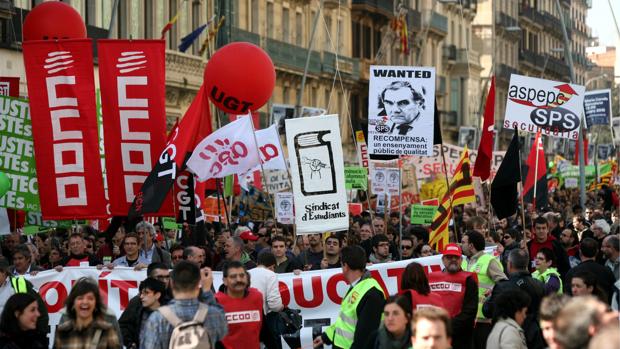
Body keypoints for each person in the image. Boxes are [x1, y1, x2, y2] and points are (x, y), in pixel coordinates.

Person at [140, 261, 227, 349]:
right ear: (198, 283)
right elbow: (223, 330)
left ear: (172, 283)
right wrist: (207, 290)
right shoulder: (213, 314)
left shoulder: (158, 318)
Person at [314, 246, 386, 349]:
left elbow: (365, 338)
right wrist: (325, 337)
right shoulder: (358, 287)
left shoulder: (371, 294)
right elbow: (345, 322)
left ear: (345, 266)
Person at [483, 249, 545, 349]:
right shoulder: (540, 285)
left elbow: (488, 311)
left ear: (510, 264)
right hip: (535, 336)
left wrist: (489, 298)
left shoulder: (502, 287)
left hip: (509, 335)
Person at [460, 230, 507, 347]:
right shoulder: (463, 262)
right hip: (467, 318)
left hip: (484, 320)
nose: (461, 245)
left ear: (471, 246)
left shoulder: (489, 261)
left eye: (463, 242)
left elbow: (504, 284)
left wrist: (492, 298)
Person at [427, 243, 478, 349]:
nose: (453, 259)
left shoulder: (469, 280)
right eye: (449, 257)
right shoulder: (431, 278)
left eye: (456, 257)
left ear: (461, 260)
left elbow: (470, 312)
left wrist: (446, 326)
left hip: (461, 339)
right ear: (443, 260)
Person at [54, 278, 121, 349]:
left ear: (96, 302)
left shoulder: (107, 330)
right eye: (80, 298)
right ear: (73, 302)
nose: (85, 302)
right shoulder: (62, 331)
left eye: (90, 298)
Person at [119, 263, 170, 349]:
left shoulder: (174, 300)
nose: (165, 281)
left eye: (167, 277)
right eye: (160, 277)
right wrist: (130, 343)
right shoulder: (137, 302)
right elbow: (123, 326)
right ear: (149, 278)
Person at [216, 261, 264, 349]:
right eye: (233, 277)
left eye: (242, 276)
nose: (238, 280)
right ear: (225, 281)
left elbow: (264, 330)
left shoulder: (256, 297)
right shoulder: (216, 302)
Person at [0, 260, 49, 345]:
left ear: (3, 272)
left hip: (21, 338)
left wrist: (40, 335)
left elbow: (40, 309)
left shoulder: (20, 284)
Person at [248, 251, 284, 349]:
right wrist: (282, 307)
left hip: (243, 320)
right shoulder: (270, 275)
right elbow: (275, 305)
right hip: (259, 322)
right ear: (272, 266)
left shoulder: (246, 273)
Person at [564, 238, 615, 302]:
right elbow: (613, 295)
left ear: (580, 251)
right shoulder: (607, 271)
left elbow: (567, 296)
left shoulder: (572, 272)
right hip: (602, 308)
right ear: (597, 252)